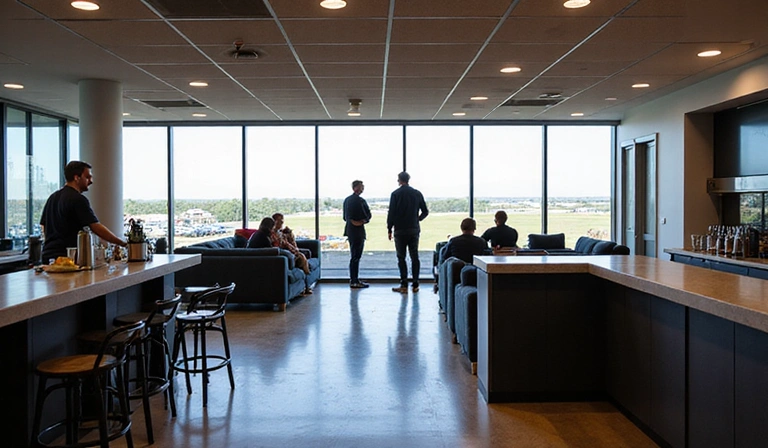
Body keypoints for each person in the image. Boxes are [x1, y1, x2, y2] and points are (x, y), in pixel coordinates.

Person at [40, 161, 127, 262]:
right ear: (77, 178)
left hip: (48, 256)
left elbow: (43, 226)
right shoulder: (78, 199)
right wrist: (123, 243)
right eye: (87, 177)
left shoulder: (52, 197)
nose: (91, 181)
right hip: (67, 257)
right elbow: (96, 227)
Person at [387, 171, 429, 293]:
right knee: (414, 256)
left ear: (399, 180)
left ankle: (404, 284)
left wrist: (389, 229)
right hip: (413, 229)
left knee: (401, 257)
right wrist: (417, 220)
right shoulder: (416, 193)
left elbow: (392, 213)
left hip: (400, 230)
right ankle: (415, 284)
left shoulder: (395, 194)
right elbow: (425, 211)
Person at [343, 180, 372, 289]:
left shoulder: (347, 200)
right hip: (358, 231)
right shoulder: (360, 201)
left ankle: (354, 279)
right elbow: (368, 215)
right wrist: (362, 221)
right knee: (356, 256)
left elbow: (345, 217)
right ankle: (354, 280)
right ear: (356, 188)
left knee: (354, 256)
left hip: (350, 231)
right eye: (361, 186)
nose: (363, 188)